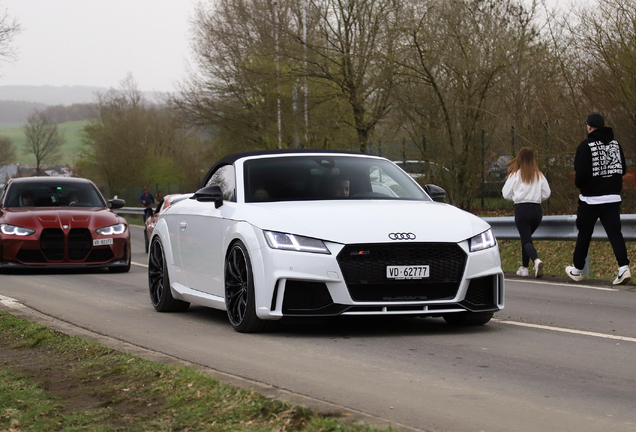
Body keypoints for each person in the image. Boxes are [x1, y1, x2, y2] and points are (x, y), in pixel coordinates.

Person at [566, 113, 631, 285]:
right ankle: (624, 267)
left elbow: (581, 174)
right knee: (615, 233)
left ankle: (578, 269)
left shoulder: (585, 146)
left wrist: (584, 186)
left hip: (591, 199)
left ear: (589, 127)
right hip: (613, 197)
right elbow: (622, 169)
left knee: (584, 233)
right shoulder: (616, 145)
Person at [502, 147, 551, 278]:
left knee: (526, 240)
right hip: (536, 210)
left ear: (519, 159)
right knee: (526, 238)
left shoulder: (515, 175)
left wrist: (516, 197)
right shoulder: (539, 175)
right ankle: (524, 268)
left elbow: (505, 194)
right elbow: (547, 193)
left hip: (522, 210)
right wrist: (536, 197)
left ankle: (536, 260)